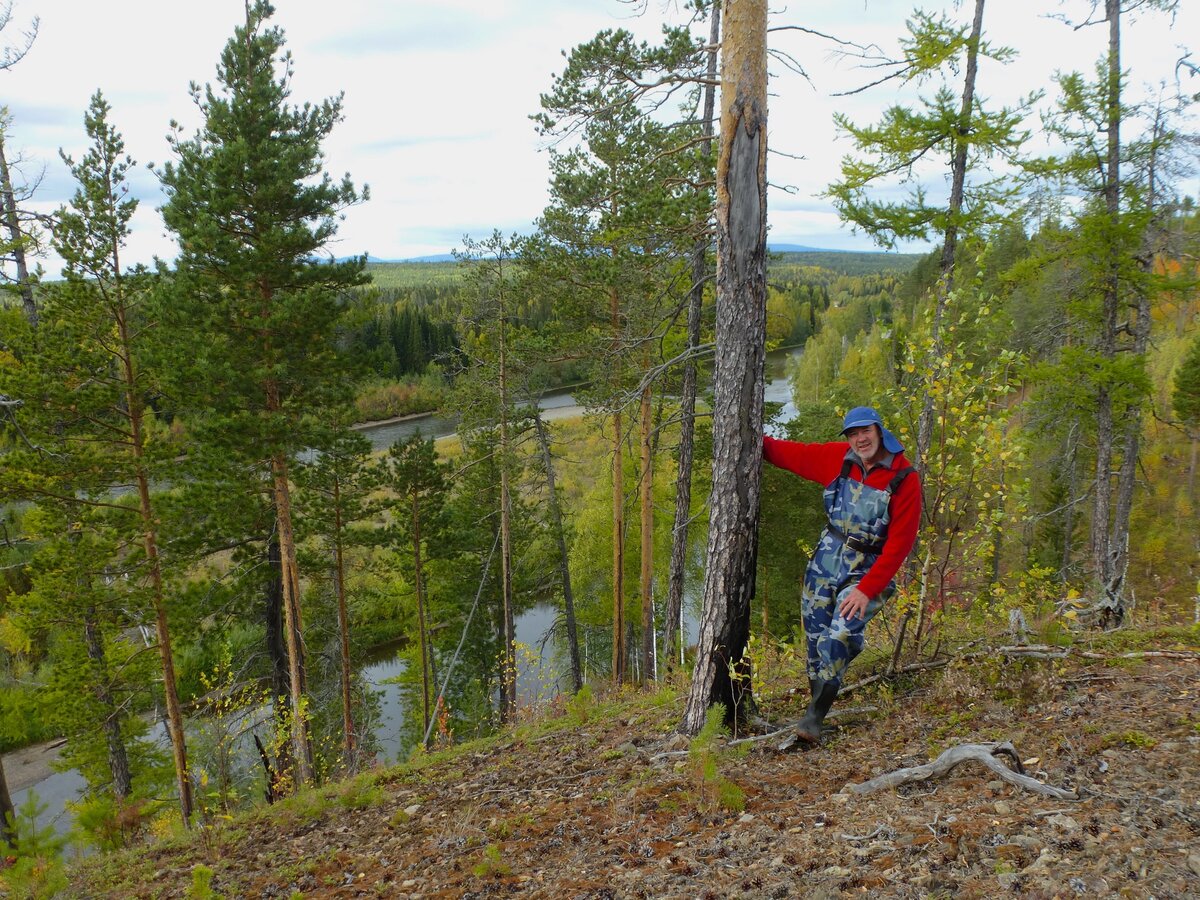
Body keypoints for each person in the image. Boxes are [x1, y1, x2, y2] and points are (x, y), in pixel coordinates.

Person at [763, 407, 921, 744]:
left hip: (867, 570)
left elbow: (900, 544)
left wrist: (867, 590)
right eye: (852, 433)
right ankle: (815, 712)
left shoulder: (904, 478)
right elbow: (790, 454)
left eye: (865, 431)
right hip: (825, 561)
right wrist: (749, 439)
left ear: (880, 431)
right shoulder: (840, 459)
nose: (860, 439)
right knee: (816, 640)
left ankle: (814, 718)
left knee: (840, 636)